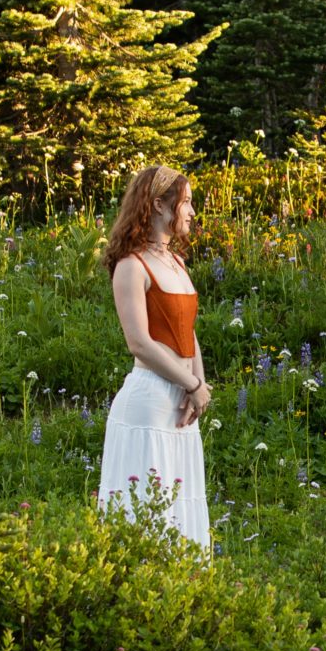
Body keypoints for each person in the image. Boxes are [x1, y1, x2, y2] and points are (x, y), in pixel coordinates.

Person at [98, 164, 211, 550]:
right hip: (149, 401)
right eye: (187, 202)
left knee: (179, 505)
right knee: (147, 505)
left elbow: (188, 330)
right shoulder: (132, 266)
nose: (192, 212)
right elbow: (140, 343)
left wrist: (199, 385)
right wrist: (191, 384)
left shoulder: (177, 263)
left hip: (180, 400)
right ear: (160, 205)